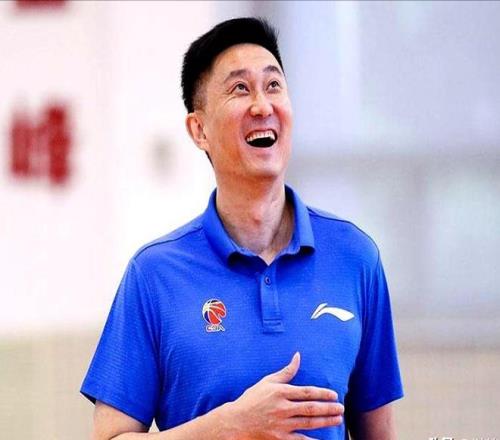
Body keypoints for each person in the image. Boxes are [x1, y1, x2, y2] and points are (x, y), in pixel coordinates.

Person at [81, 17, 403, 440]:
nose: (262, 106)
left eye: (273, 85)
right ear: (199, 130)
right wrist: (229, 427)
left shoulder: (355, 256)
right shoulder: (154, 274)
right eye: (239, 89)